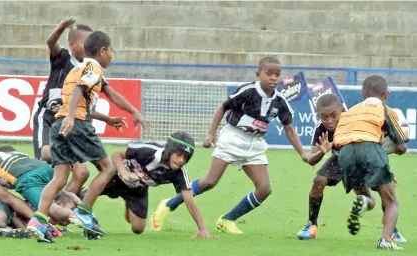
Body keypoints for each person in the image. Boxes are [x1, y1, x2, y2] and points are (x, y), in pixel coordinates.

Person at [150, 56, 308, 234]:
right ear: (258, 74)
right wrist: (211, 133)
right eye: (269, 73)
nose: (273, 78)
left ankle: (227, 220)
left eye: (277, 74)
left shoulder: (280, 101)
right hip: (232, 137)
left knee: (264, 189)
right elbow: (223, 107)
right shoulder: (248, 91)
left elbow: (289, 129)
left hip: (254, 143)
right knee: (209, 182)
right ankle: (168, 205)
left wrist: (303, 153)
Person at [27, 31, 151, 241]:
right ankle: (83, 212)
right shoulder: (93, 68)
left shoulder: (77, 69)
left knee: (59, 178)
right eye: (111, 51)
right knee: (108, 168)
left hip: (59, 125)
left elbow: (110, 95)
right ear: (103, 51)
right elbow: (79, 91)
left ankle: (38, 219)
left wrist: (116, 116)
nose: (112, 55)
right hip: (76, 125)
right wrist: (73, 117)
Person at [32, 17, 126, 194]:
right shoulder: (63, 58)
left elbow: (85, 106)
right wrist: (61, 26)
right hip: (49, 118)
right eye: (85, 42)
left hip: (70, 121)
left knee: (82, 172)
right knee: (46, 154)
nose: (90, 45)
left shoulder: (91, 69)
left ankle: (63, 205)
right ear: (72, 44)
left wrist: (107, 119)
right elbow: (50, 42)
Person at [296, 94, 406, 243]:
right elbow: (311, 160)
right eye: (324, 117)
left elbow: (373, 144)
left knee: (384, 190)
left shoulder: (354, 118)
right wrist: (322, 151)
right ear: (318, 115)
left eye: (334, 115)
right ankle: (311, 224)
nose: (329, 121)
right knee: (319, 180)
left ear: (342, 110)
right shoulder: (321, 129)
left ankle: (392, 231)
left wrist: (386, 170)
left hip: (364, 156)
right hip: (341, 159)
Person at [77, 132, 215, 238]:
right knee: (84, 197)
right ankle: (73, 203)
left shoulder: (178, 174)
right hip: (116, 178)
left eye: (186, 158)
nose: (181, 160)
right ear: (170, 149)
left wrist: (202, 229)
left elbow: (189, 201)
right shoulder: (148, 150)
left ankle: (128, 203)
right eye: (179, 155)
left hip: (138, 189)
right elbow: (116, 155)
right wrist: (124, 172)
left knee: (138, 229)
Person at [333, 75, 408, 250]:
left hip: (344, 153)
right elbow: (402, 147)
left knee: (367, 197)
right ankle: (385, 241)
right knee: (391, 201)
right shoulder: (384, 109)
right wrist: (386, 149)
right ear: (386, 94)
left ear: (362, 94)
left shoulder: (350, 111)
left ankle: (364, 202)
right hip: (370, 148)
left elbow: (338, 143)